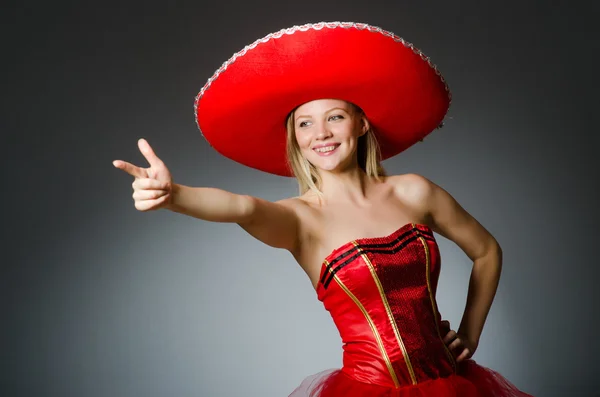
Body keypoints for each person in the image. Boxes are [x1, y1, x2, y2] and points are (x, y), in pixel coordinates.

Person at [113, 22, 534, 396]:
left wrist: (469, 335)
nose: (321, 134)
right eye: (305, 123)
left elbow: (486, 251)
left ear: (362, 123)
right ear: (294, 139)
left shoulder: (415, 192)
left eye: (335, 117)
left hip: (453, 384)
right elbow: (242, 207)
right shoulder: (300, 219)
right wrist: (175, 195)